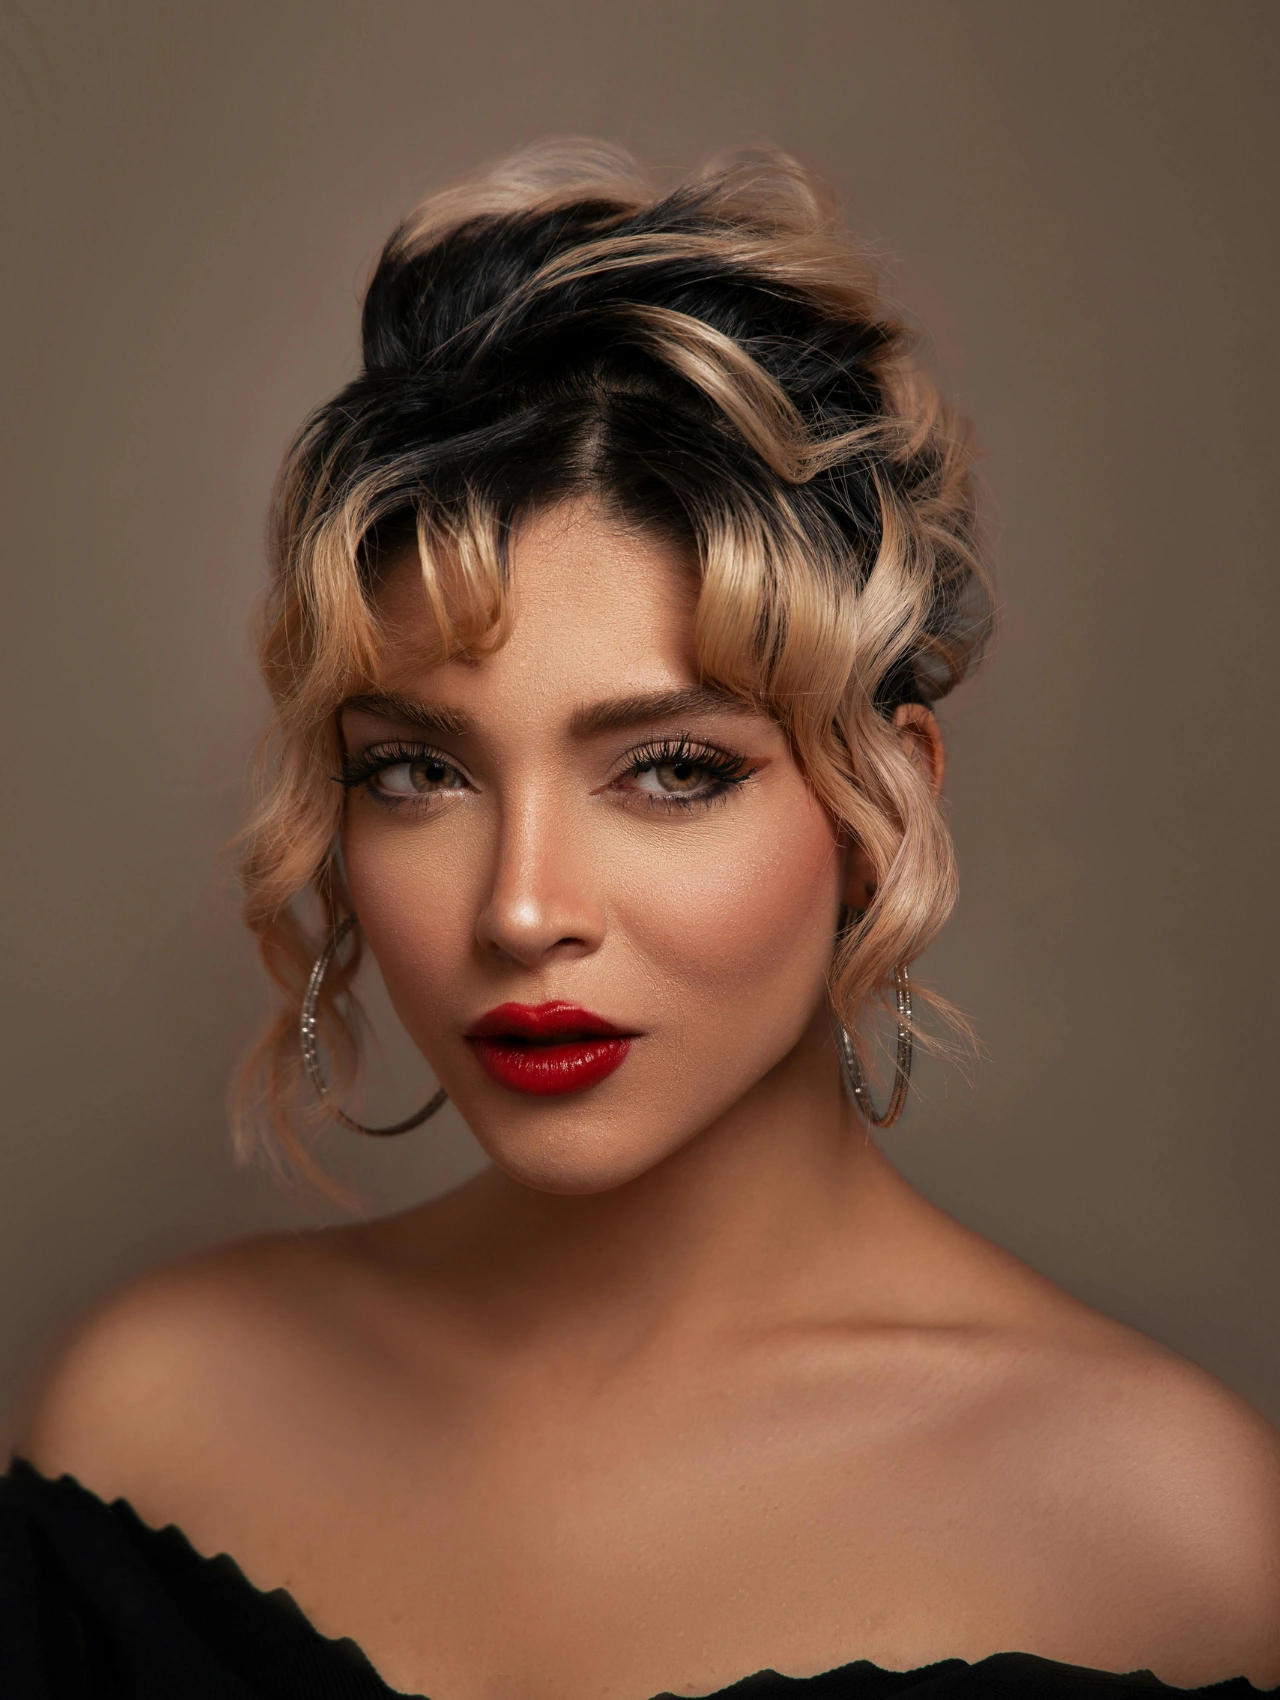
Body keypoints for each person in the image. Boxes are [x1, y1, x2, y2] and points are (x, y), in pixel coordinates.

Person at [3, 142, 1277, 1700]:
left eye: (673, 770)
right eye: (417, 770)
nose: (523, 909)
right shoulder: (145, 1418)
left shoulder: (1173, 1538)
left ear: (884, 807)